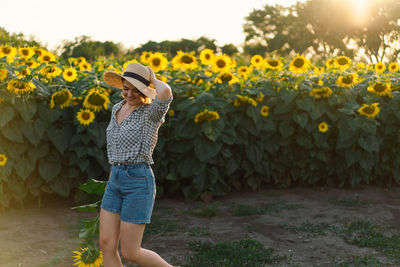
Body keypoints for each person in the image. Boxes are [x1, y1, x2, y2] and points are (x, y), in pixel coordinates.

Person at [99, 62, 177, 266]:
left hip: (138, 181)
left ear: (145, 90)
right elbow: (114, 150)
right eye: (126, 88)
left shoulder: (150, 113)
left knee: (131, 252)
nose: (130, 94)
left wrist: (152, 78)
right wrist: (111, 179)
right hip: (114, 179)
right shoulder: (117, 108)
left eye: (136, 90)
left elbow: (166, 92)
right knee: (106, 244)